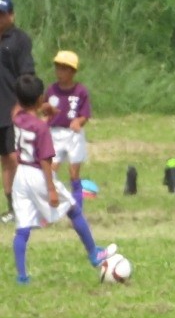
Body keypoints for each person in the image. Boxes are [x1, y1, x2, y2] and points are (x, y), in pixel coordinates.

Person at [10, 74, 108, 284]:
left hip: (21, 175)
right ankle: (94, 253)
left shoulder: (17, 118)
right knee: (73, 209)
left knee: (23, 228)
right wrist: (51, 189)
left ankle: (22, 276)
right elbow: (45, 160)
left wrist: (42, 112)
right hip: (38, 174)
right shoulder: (42, 128)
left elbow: (24, 116)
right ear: (40, 99)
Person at [0, 0, 35, 223]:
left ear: (11, 15)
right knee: (5, 159)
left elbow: (27, 75)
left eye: (1, 14)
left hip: (10, 109)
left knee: (14, 158)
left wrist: (22, 105)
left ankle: (21, 207)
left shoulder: (19, 40)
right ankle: (11, 208)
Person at [45, 50, 91, 211]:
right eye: (58, 68)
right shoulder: (51, 90)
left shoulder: (80, 91)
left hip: (73, 135)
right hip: (55, 134)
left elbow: (85, 115)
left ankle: (77, 209)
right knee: (50, 171)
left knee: (73, 173)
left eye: (64, 68)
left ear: (73, 71)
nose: (60, 72)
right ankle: (53, 206)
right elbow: (45, 111)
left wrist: (79, 121)